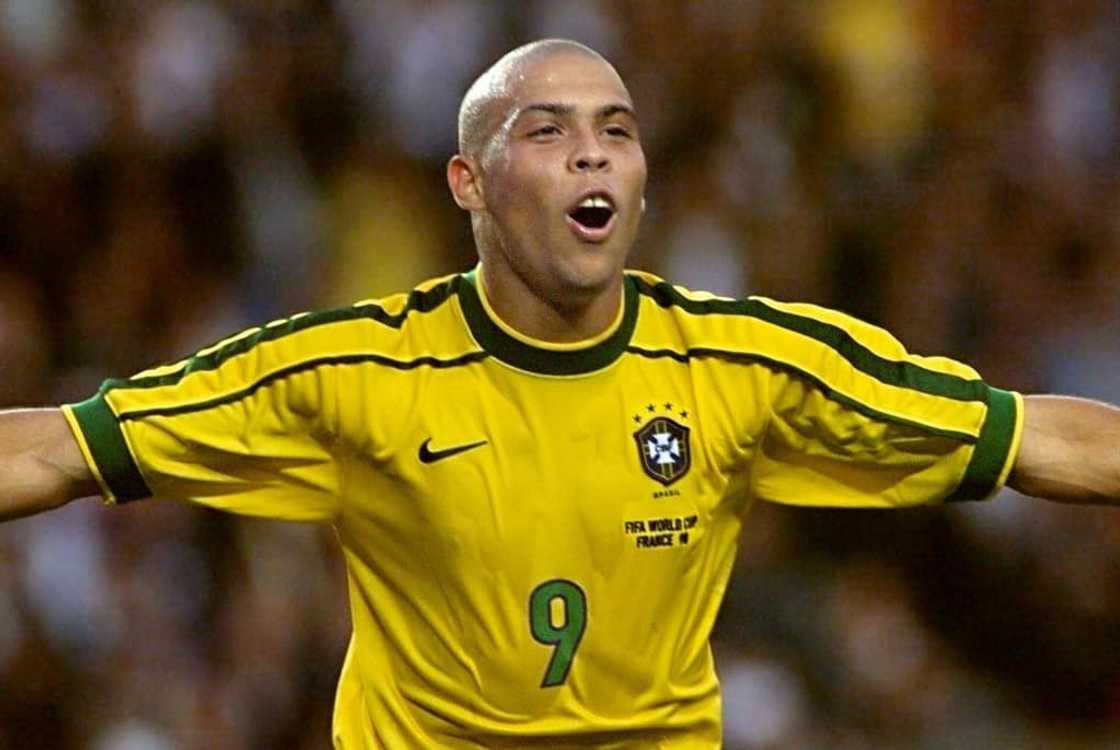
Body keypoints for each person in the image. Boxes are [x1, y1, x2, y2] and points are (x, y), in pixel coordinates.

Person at [1, 38, 1117, 749]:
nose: (593, 155)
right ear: (469, 185)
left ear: (640, 186)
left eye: (617, 134)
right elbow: (59, 449)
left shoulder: (744, 364)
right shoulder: (348, 374)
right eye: (549, 131)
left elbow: (1028, 440)